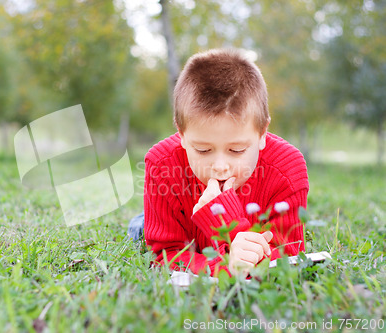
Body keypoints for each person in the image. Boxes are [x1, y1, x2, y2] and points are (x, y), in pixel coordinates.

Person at [130, 48, 309, 277]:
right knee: (140, 229)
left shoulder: (288, 168)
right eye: (203, 150)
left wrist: (231, 228)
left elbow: (288, 255)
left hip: (216, 240)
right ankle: (142, 221)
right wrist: (224, 268)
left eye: (237, 150)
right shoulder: (161, 163)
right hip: (181, 228)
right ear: (182, 134)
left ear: (262, 133)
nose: (220, 166)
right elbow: (166, 253)